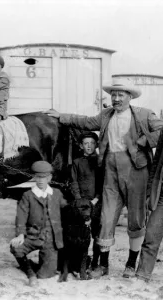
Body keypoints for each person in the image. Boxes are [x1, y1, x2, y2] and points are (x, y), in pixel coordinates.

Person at [44, 78, 163, 279]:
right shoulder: (106, 115)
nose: (116, 99)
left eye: (120, 95)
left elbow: (161, 131)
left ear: (130, 97)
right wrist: (61, 116)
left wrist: (143, 141)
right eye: (113, 95)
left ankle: (131, 263)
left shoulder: (144, 114)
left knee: (136, 219)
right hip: (111, 173)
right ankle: (103, 265)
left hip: (137, 172)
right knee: (106, 218)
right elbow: (85, 122)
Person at [10, 161, 67, 287]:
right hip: (33, 236)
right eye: (38, 177)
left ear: (50, 178)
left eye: (44, 177)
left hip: (51, 240)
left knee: (45, 275)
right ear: (34, 177)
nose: (40, 180)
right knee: (16, 248)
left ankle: (35, 265)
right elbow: (21, 216)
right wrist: (20, 235)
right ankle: (30, 272)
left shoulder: (57, 194)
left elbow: (67, 210)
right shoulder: (28, 195)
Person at [71, 131, 102, 270]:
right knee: (80, 234)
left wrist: (96, 199)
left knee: (97, 233)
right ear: (81, 145)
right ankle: (80, 263)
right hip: (81, 205)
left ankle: (95, 262)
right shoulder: (77, 162)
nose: (89, 146)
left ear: (96, 144)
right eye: (85, 143)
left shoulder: (101, 162)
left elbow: (104, 183)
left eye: (92, 143)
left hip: (96, 203)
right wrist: (79, 200)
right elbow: (74, 182)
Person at [136, 127, 163, 282]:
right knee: (151, 235)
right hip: (162, 197)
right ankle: (142, 276)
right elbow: (156, 162)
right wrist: (149, 192)